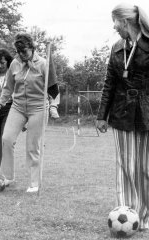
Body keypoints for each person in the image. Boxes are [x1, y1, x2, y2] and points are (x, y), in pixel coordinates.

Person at [96, 3, 149, 230]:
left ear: (125, 21)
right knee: (126, 166)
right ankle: (126, 211)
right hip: (121, 112)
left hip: (147, 112)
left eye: (115, 22)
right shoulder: (117, 47)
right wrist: (102, 115)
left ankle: (145, 216)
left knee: (145, 167)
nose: (114, 27)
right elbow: (110, 83)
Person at [0, 33, 59, 193]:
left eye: (25, 52)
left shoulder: (44, 64)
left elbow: (54, 90)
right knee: (6, 139)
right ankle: (7, 177)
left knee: (32, 147)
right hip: (18, 107)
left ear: (32, 49)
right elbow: (8, 88)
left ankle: (34, 183)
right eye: (19, 52)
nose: (22, 56)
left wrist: (53, 106)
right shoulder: (15, 64)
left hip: (38, 108)